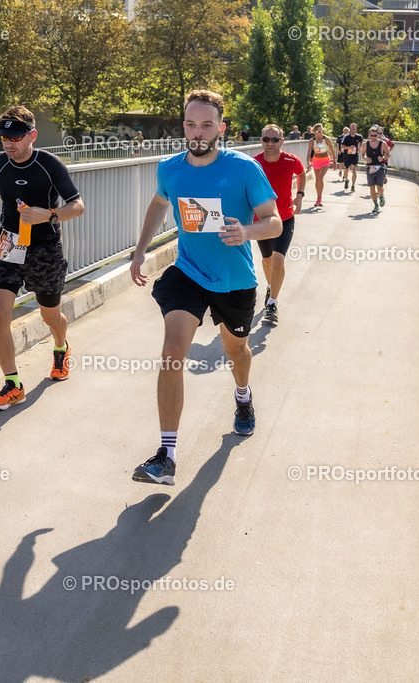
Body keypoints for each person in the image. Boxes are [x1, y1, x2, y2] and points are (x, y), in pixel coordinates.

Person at [129, 90, 282, 485]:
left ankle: (243, 396)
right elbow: (160, 203)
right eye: (191, 124)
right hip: (189, 272)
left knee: (236, 350)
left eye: (207, 125)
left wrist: (247, 231)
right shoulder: (170, 167)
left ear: (221, 128)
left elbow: (274, 222)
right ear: (184, 126)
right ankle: (166, 456)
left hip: (234, 280)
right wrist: (140, 250)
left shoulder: (245, 169)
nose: (198, 132)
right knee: (172, 352)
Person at [0, 105, 86, 410]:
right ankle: (13, 384)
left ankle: (61, 347)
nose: (9, 142)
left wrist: (49, 215)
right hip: (7, 244)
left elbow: (77, 207)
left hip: (44, 249)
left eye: (15, 136)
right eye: (4, 137)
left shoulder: (49, 165)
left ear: (32, 135)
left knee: (50, 315)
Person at [253, 124, 306, 326]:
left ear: (282, 141)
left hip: (285, 218)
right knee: (267, 261)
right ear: (262, 141)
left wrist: (300, 196)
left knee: (277, 260)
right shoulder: (255, 163)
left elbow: (301, 174)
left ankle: (272, 303)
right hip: (262, 222)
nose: (270, 143)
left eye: (275, 140)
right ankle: (270, 286)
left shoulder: (291, 161)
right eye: (266, 139)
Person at [360, 125, 390, 214]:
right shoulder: (365, 144)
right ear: (369, 135)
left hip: (380, 167)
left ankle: (381, 196)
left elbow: (388, 154)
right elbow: (362, 155)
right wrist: (366, 159)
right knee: (372, 187)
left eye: (375, 135)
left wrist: (383, 158)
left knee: (379, 187)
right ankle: (376, 205)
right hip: (370, 168)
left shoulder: (383, 144)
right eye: (371, 135)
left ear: (378, 135)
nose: (373, 137)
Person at [305, 124, 336, 208]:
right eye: (319, 131)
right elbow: (308, 153)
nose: (321, 132)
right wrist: (308, 163)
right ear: (315, 132)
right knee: (317, 180)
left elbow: (332, 151)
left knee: (320, 178)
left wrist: (334, 162)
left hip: (325, 160)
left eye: (321, 130)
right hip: (316, 160)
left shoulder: (326, 139)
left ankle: (320, 198)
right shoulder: (312, 141)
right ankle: (318, 197)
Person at [339, 123, 364, 191]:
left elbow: (362, 142)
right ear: (350, 129)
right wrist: (349, 147)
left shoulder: (359, 137)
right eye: (352, 129)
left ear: (356, 129)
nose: (353, 130)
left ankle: (353, 185)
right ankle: (346, 180)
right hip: (347, 155)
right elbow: (342, 146)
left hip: (354, 156)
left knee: (354, 169)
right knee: (346, 169)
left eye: (354, 129)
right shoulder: (346, 137)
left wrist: (359, 148)